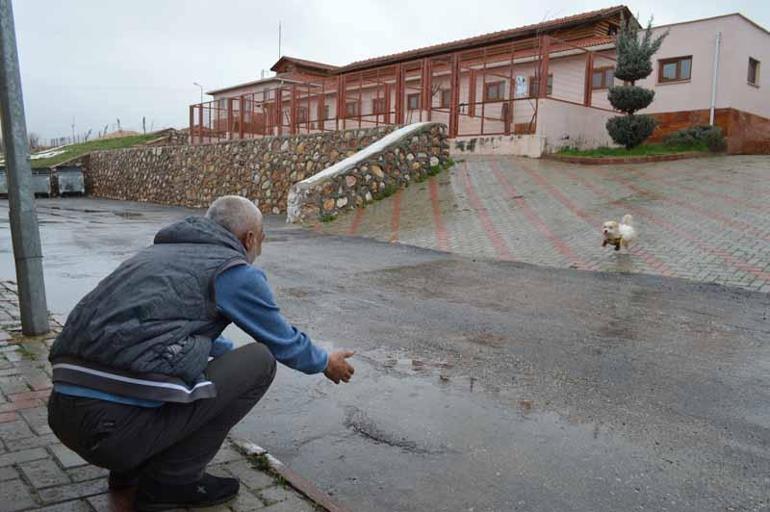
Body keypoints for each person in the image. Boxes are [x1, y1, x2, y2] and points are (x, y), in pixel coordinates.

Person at [47, 195, 355, 511]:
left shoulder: (157, 255)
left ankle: (128, 471)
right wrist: (325, 361)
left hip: (63, 414)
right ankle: (174, 482)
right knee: (259, 362)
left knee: (145, 362)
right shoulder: (233, 270)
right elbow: (282, 341)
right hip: (110, 432)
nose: (259, 249)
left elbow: (165, 327)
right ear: (249, 239)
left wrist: (225, 356)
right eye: (262, 240)